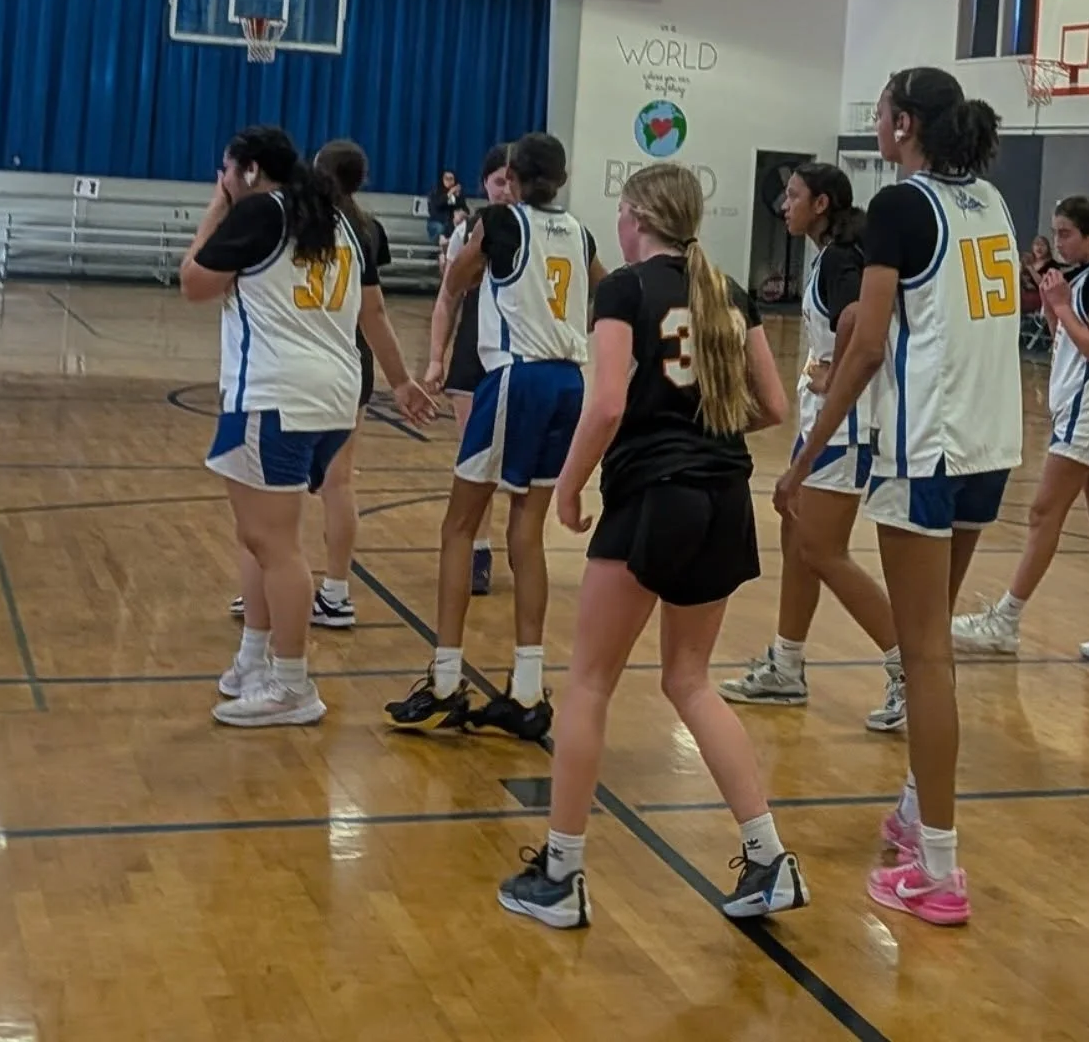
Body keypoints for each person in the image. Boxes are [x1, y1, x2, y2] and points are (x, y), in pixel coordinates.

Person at [497, 163, 807, 930]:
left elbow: (606, 403)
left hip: (654, 495)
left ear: (636, 216)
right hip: (724, 496)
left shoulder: (626, 289)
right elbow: (775, 405)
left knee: (589, 684)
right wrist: (702, 426)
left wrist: (570, 486)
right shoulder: (726, 290)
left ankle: (562, 873)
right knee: (690, 681)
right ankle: (769, 857)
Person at [775, 66, 1023, 928]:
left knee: (925, 658)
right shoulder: (991, 202)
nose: (875, 122)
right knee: (931, 654)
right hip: (990, 444)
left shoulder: (899, 207)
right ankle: (919, 809)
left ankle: (940, 871)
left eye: (880, 111)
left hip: (928, 448)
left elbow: (869, 345)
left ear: (906, 123)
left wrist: (806, 454)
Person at [180, 126, 434, 727]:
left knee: (276, 544)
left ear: (247, 171)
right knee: (258, 536)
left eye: (226, 169)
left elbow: (193, 282)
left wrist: (217, 206)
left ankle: (292, 683)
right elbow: (372, 310)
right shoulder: (338, 220)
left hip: (275, 395)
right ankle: (253, 660)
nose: (222, 178)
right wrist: (399, 381)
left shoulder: (259, 214)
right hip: (336, 395)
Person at [385, 133, 604, 740]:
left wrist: (477, 251)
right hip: (569, 382)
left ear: (513, 174)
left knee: (458, 527)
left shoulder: (500, 222)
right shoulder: (581, 233)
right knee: (526, 532)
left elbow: (456, 281)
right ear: (564, 177)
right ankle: (527, 691)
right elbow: (609, 292)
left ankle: (446, 682)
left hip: (516, 377)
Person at [719, 163, 902, 732]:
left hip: (845, 427)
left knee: (823, 550)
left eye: (793, 195)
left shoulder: (843, 259)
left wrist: (835, 373)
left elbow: (860, 320)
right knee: (798, 542)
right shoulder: (831, 255)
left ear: (821, 204)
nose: (784, 204)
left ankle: (911, 668)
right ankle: (786, 664)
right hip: (823, 424)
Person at [952, 196, 1089, 668]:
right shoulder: (1086, 277)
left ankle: (1006, 619)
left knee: (1043, 513)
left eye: (1066, 233)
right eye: (1056, 232)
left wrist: (1062, 304)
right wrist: (1054, 306)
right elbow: (1066, 339)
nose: (1058, 241)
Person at [226, 139, 392, 628]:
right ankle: (335, 591)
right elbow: (374, 308)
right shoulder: (367, 227)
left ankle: (272, 586)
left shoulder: (294, 219)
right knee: (339, 483)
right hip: (351, 363)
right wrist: (400, 378)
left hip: (300, 359)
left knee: (273, 490)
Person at [425, 144, 514, 596]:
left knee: (516, 465)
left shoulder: (542, 231)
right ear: (484, 184)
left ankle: (520, 548)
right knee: (475, 460)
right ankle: (479, 550)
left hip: (520, 358)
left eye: (513, 180)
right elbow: (447, 299)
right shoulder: (469, 231)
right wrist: (435, 358)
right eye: (498, 181)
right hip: (473, 357)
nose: (506, 189)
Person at [427, 169, 464, 242]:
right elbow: (437, 206)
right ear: (442, 180)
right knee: (441, 228)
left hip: (451, 224)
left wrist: (458, 198)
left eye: (451, 179)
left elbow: (464, 209)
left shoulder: (457, 194)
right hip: (437, 222)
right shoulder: (435, 192)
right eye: (446, 179)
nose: (449, 181)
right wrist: (449, 194)